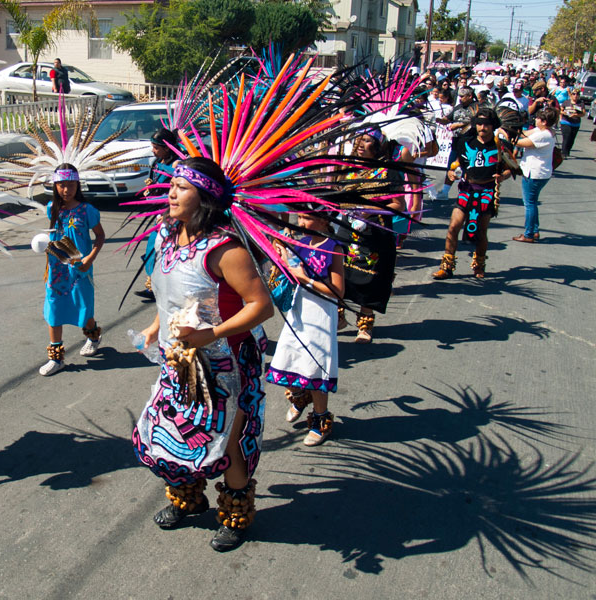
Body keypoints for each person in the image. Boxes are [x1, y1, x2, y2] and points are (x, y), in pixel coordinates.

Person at [133, 157, 273, 552]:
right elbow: (172, 297)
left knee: (228, 438)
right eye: (172, 184)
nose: (171, 192)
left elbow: (260, 307)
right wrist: (155, 328)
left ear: (205, 196)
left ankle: (235, 513)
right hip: (179, 359)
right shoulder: (165, 235)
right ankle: (187, 498)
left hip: (225, 363)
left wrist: (210, 334)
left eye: (182, 187)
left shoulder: (225, 249)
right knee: (176, 432)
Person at [265, 212, 344, 446]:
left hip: (321, 312)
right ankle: (299, 397)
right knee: (286, 358)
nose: (300, 223)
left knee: (315, 366)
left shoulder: (333, 247)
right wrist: (280, 258)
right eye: (298, 217)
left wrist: (305, 279)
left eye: (306, 218)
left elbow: (339, 292)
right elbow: (288, 269)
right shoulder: (300, 243)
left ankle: (321, 421)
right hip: (299, 310)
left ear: (323, 219)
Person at [336, 130, 405, 343]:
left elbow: (398, 206)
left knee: (370, 278)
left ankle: (365, 324)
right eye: (359, 139)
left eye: (367, 140)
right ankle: (339, 316)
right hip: (347, 231)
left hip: (375, 233)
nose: (360, 144)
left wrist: (371, 209)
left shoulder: (388, 172)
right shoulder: (349, 168)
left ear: (377, 145)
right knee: (340, 273)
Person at [39, 164, 106, 376]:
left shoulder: (88, 211)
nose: (66, 190)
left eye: (71, 185)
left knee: (83, 307)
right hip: (56, 269)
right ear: (54, 186)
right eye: (61, 185)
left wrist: (89, 258)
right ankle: (56, 358)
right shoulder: (52, 208)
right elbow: (53, 235)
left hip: (79, 269)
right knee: (54, 309)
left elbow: (100, 236)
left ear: (78, 185)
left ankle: (93, 336)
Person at [432, 108, 513, 279]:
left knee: (481, 231)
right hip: (467, 189)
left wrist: (502, 177)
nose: (482, 127)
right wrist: (451, 173)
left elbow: (511, 168)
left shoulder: (500, 145)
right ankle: (446, 266)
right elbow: (457, 162)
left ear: (493, 126)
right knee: (454, 227)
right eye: (479, 124)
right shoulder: (465, 141)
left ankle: (479, 265)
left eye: (486, 124)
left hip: (487, 191)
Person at [135, 128, 179, 300]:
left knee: (162, 248)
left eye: (156, 147)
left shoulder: (178, 164)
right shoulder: (157, 161)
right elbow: (155, 182)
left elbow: (177, 188)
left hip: (171, 213)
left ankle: (161, 287)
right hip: (157, 211)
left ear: (166, 148)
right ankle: (154, 285)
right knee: (153, 249)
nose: (153, 150)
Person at [512, 108, 558, 243]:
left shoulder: (544, 135)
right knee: (532, 203)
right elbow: (525, 134)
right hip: (539, 172)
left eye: (538, 118)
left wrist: (504, 135)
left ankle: (529, 234)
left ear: (544, 121)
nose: (536, 120)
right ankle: (534, 230)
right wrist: (514, 129)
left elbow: (521, 142)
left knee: (529, 204)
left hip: (535, 173)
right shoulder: (542, 131)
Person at [437, 86, 477, 200]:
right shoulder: (458, 107)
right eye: (459, 96)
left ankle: (465, 191)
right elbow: (448, 119)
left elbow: (477, 121)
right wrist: (440, 120)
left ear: (470, 96)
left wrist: (460, 124)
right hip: (456, 141)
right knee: (451, 166)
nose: (460, 98)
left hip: (470, 142)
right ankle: (445, 192)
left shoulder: (476, 107)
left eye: (463, 96)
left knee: (467, 168)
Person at [559, 88, 585, 158]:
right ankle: (563, 153)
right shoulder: (566, 102)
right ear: (571, 95)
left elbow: (583, 113)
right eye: (574, 94)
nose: (575, 96)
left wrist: (576, 115)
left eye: (577, 94)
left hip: (575, 123)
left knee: (571, 139)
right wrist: (564, 113)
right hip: (566, 122)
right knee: (566, 137)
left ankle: (567, 151)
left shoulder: (581, 103)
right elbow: (560, 110)